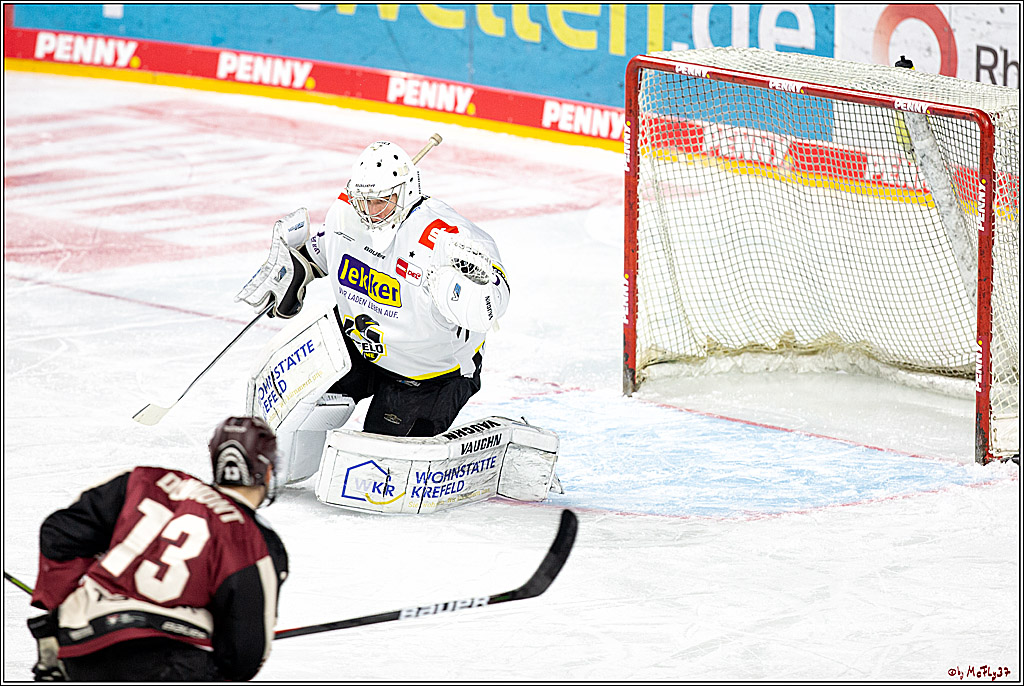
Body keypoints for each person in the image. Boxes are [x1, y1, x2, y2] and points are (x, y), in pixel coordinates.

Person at [235, 139, 511, 481]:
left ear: (407, 192)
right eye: (363, 200)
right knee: (288, 423)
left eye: (380, 201)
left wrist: (469, 292)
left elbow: (490, 306)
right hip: (353, 348)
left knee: (377, 475)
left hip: (426, 374)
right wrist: (297, 266)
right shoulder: (346, 213)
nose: (369, 211)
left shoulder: (446, 240)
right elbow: (323, 252)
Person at [26, 416, 288, 682]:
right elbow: (243, 654)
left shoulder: (145, 481)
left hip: (84, 646)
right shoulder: (255, 538)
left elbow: (60, 533)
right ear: (267, 472)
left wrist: (60, 611)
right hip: (171, 660)